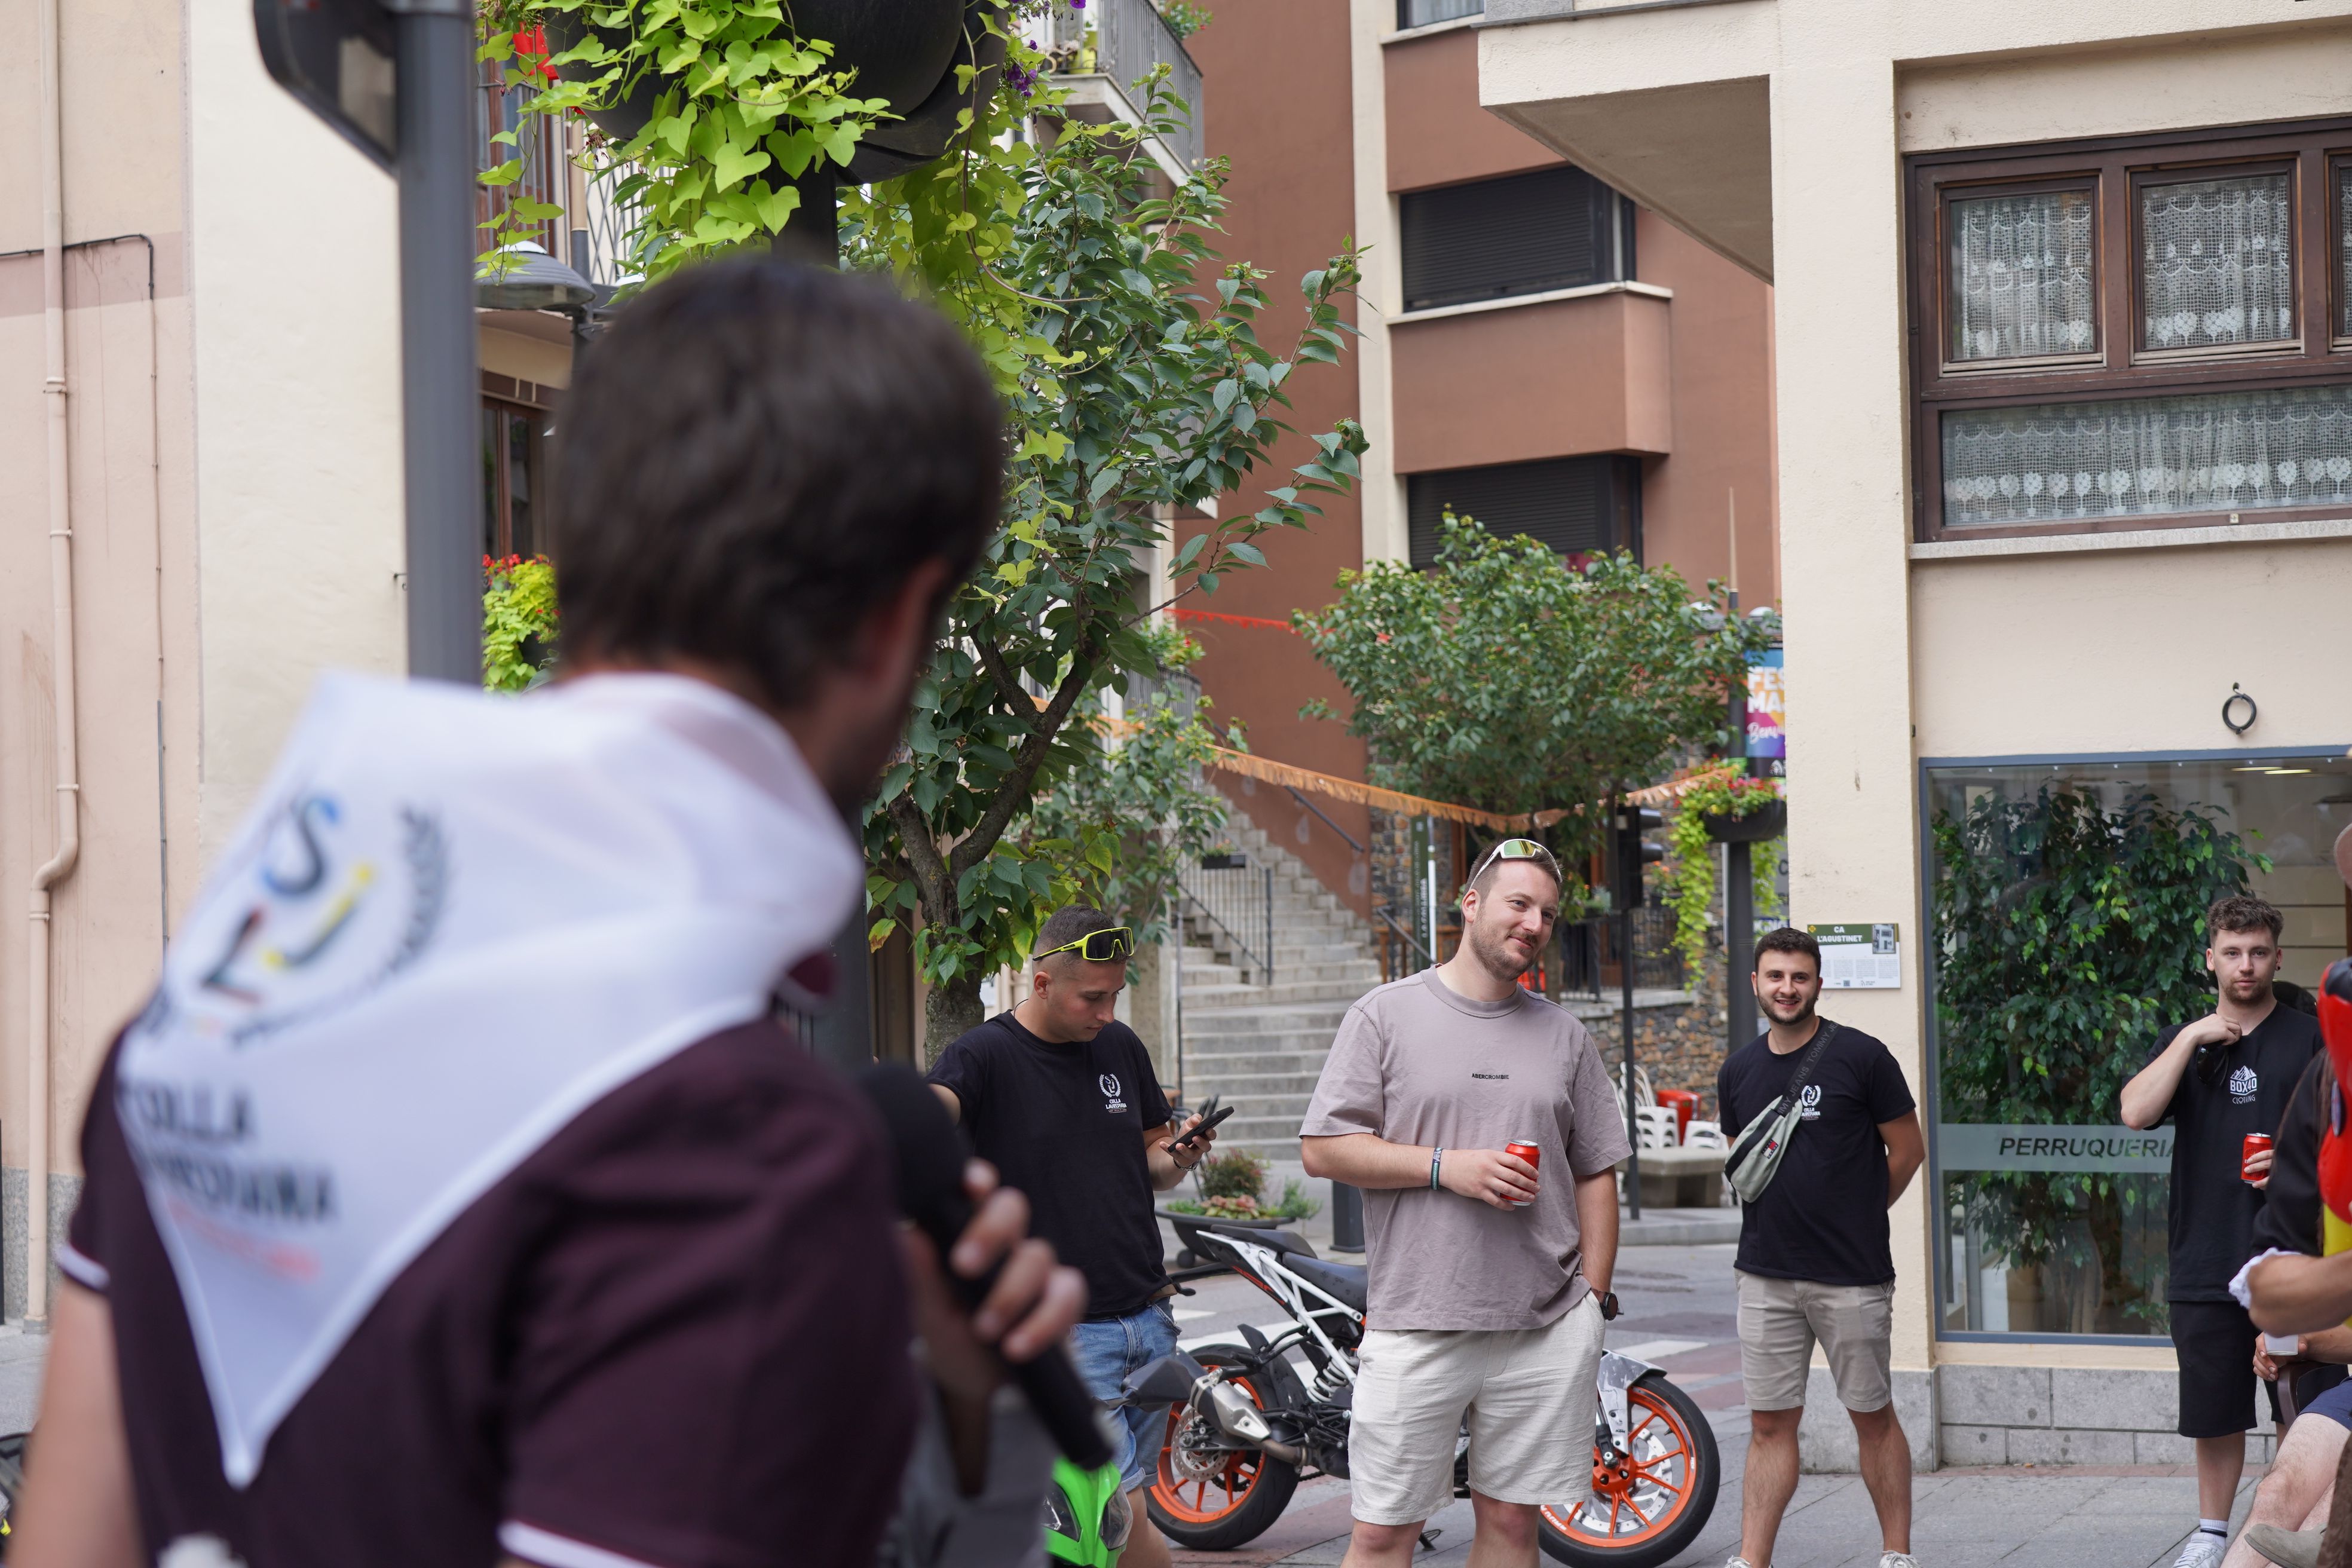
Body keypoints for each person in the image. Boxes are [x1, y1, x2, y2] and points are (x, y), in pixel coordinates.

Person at [14, 259, 1086, 1568]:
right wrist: (949, 1437)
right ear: (896, 622)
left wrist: (954, 1404)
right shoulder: (736, 1154)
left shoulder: (203, 1024)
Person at [1298, 837, 1630, 1568]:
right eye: (1519, 902)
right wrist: (1448, 1167)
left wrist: (1592, 1301)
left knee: (1513, 1528)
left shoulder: (1565, 1035)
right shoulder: (1384, 1014)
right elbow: (1324, 1147)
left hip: (1543, 1326)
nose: (1535, 922)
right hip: (1418, 1321)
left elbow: (1597, 1168)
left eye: (1547, 912)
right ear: (1471, 903)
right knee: (1384, 1532)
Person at [929, 906, 1215, 1568]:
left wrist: (1181, 1154)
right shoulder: (984, 1055)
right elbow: (937, 1105)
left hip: (1148, 1317)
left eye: (1114, 994)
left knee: (1118, 1521)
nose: (1107, 1012)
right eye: (1092, 996)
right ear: (1041, 983)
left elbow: (1150, 1159)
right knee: (1119, 1518)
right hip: (1065, 1335)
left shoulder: (1120, 1047)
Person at [2124, 895, 2325, 1568]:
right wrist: (2189, 1037)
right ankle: (2211, 1534)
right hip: (2205, 1255)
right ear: (2210, 958)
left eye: (2259, 951)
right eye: (2232, 952)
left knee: (2303, 1406)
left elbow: (2341, 1142)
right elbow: (2133, 1111)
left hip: (2297, 1260)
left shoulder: (2312, 1036)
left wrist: (2292, 1173)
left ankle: (2291, 1527)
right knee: (2214, 1410)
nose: (2246, 965)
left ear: (2277, 956)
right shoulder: (2190, 1042)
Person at [1717, 927, 1924, 1568]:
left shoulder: (1863, 1057)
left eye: (1799, 976)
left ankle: (1896, 1553)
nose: (1787, 987)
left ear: (1818, 983)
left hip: (1851, 1274)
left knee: (1871, 1414)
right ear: (1756, 983)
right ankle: (1752, 1559)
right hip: (1765, 1273)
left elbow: (1908, 1149)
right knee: (1769, 1424)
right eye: (1775, 976)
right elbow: (1746, 1156)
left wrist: (1860, 1213)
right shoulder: (1739, 1069)